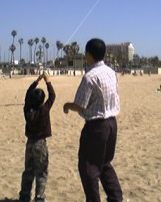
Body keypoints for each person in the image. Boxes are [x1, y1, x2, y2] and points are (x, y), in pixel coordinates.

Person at [63, 38, 123, 202]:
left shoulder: (89, 77)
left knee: (88, 168)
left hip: (97, 127)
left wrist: (67, 105)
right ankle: (116, 197)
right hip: (112, 124)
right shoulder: (111, 72)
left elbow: (80, 105)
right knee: (104, 164)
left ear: (89, 55)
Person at [19, 72, 55, 202]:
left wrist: (37, 81)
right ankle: (39, 198)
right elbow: (52, 96)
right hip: (41, 143)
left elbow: (28, 95)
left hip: (30, 143)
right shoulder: (44, 110)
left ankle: (24, 196)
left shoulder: (28, 110)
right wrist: (48, 81)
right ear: (41, 101)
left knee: (28, 171)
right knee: (41, 172)